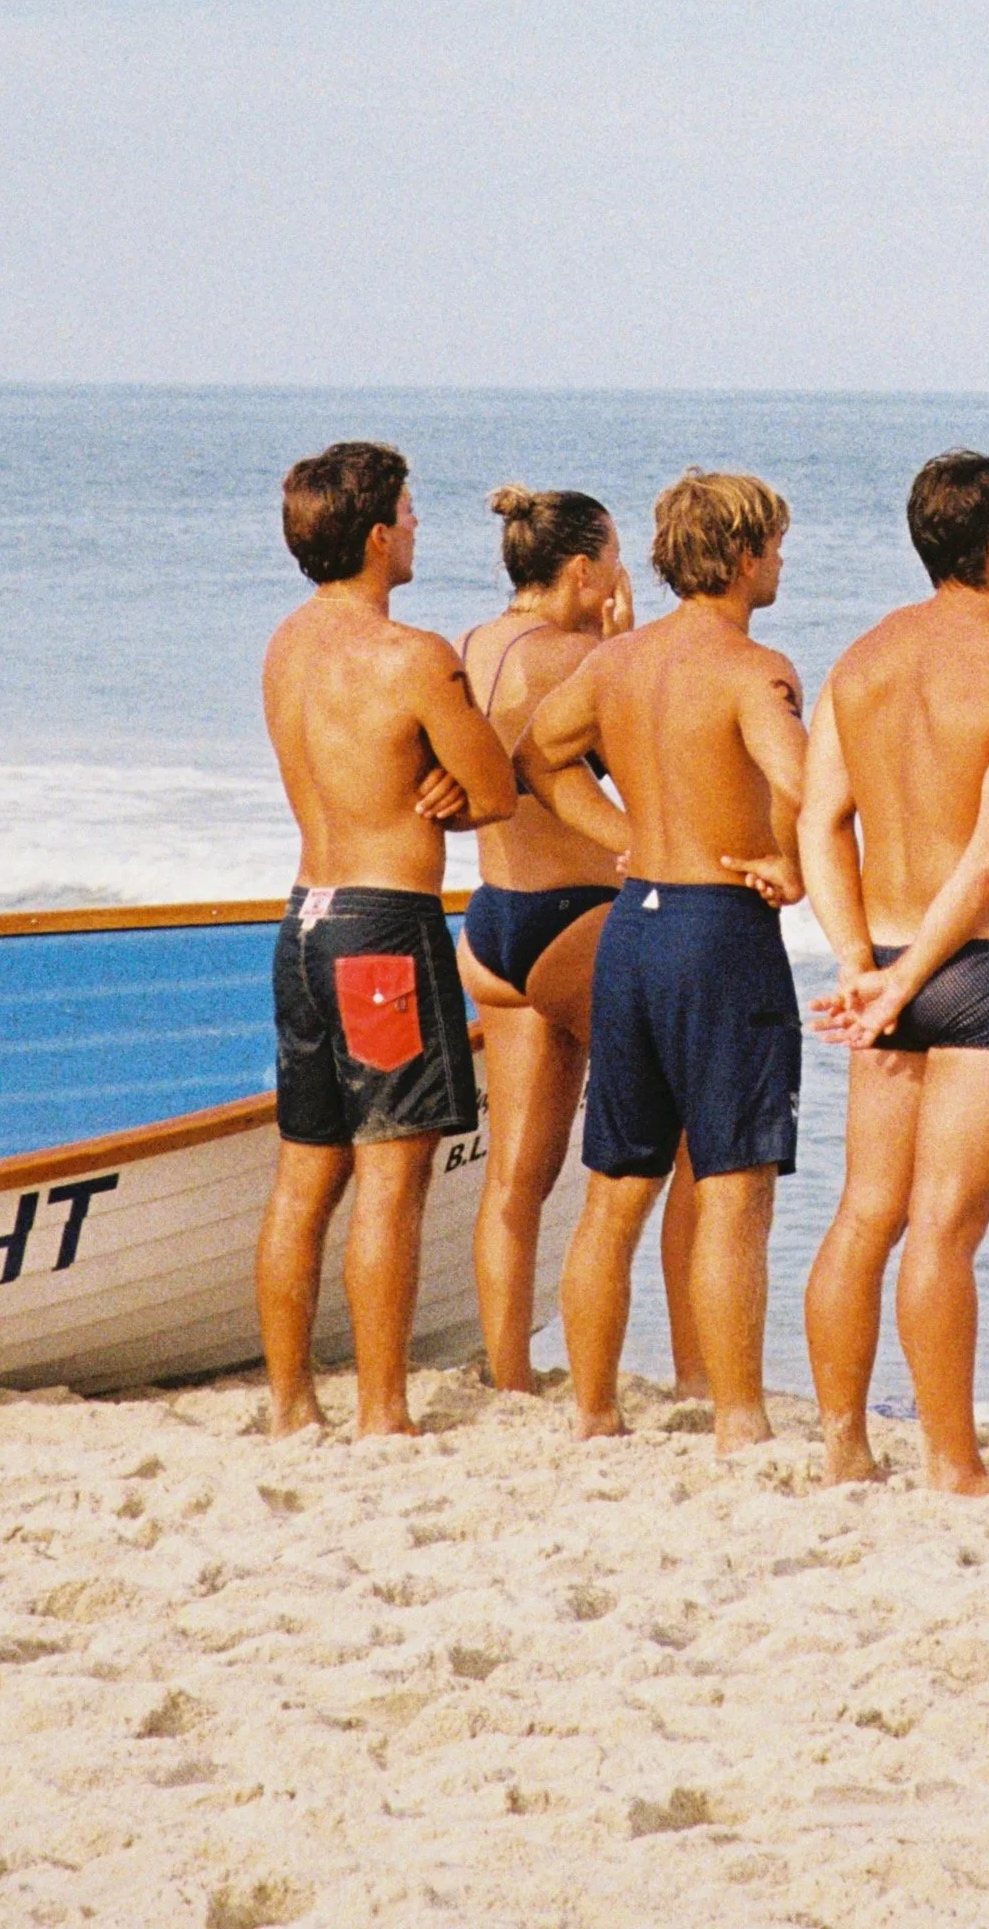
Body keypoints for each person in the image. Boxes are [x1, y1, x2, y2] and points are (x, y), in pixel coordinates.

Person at [800, 451, 989, 1496]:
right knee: (943, 1226)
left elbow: (820, 822)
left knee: (864, 1216)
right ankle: (951, 1462)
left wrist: (863, 964)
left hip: (886, 954)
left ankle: (844, 1448)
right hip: (981, 968)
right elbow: (987, 861)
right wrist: (903, 979)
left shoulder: (861, 660)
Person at [523, 468, 808, 1453]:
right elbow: (802, 779)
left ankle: (593, 1412)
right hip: (717, 931)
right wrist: (794, 863)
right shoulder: (755, 668)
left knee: (615, 1189)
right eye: (775, 546)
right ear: (743, 557)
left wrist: (627, 834)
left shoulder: (616, 664)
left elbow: (538, 755)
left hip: (634, 928)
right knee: (735, 1187)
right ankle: (738, 1418)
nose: (781, 563)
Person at [255, 441, 522, 1439]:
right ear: (376, 536)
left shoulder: (286, 645)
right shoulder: (412, 655)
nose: (418, 528)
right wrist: (455, 784)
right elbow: (495, 791)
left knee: (303, 1177)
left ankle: (291, 1406)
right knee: (391, 1180)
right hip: (381, 930)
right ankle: (381, 1412)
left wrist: (438, 775)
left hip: (305, 919)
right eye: (409, 514)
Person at [453, 487, 707, 1400]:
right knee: (696, 1140)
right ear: (580, 570)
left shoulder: (474, 644)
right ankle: (697, 1372)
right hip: (579, 918)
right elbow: (648, 776)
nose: (624, 573)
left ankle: (511, 1377)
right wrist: (623, 647)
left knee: (517, 1174)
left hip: (492, 921)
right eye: (614, 559)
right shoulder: (581, 657)